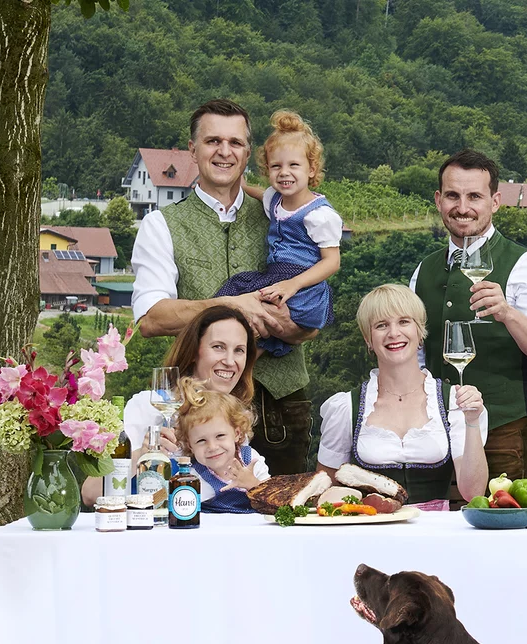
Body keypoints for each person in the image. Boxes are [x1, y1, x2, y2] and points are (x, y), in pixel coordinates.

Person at [131, 99, 317, 475]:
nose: (224, 151)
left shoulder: (283, 215)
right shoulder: (162, 224)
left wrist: (290, 326)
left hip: (281, 406)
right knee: (194, 517)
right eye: (213, 140)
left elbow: (312, 316)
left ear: (249, 152)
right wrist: (232, 307)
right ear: (192, 149)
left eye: (235, 142)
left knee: (280, 519)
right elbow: (150, 319)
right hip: (199, 415)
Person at [408, 149, 527, 482]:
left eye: (474, 196)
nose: (462, 208)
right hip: (434, 438)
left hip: (504, 436)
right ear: (438, 200)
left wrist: (508, 313)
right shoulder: (423, 271)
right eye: (453, 195)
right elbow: (416, 360)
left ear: (494, 201)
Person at [319, 285, 491, 509]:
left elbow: (473, 492)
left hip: (436, 533)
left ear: (420, 332)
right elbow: (326, 489)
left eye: (404, 322)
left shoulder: (452, 403)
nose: (393, 333)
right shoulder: (346, 407)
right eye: (381, 325)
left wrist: (472, 422)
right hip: (370, 531)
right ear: (368, 339)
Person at [77, 305, 259, 506]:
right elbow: (90, 494)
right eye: (218, 347)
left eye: (239, 350)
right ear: (193, 352)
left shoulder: (237, 416)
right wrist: (141, 455)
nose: (230, 361)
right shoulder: (149, 407)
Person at [217, 110, 341, 358]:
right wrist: (239, 185)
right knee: (236, 302)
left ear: (312, 169)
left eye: (294, 165)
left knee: (255, 319)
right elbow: (261, 194)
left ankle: (236, 362)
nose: (284, 172)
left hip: (304, 287)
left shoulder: (319, 215)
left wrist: (293, 285)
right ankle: (238, 366)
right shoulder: (275, 199)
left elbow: (332, 262)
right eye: (276, 166)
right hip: (275, 277)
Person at [169, 376, 270, 513]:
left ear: (237, 433)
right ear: (190, 445)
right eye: (201, 441)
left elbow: (273, 499)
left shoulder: (251, 459)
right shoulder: (195, 477)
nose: (212, 447)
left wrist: (252, 484)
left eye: (220, 436)